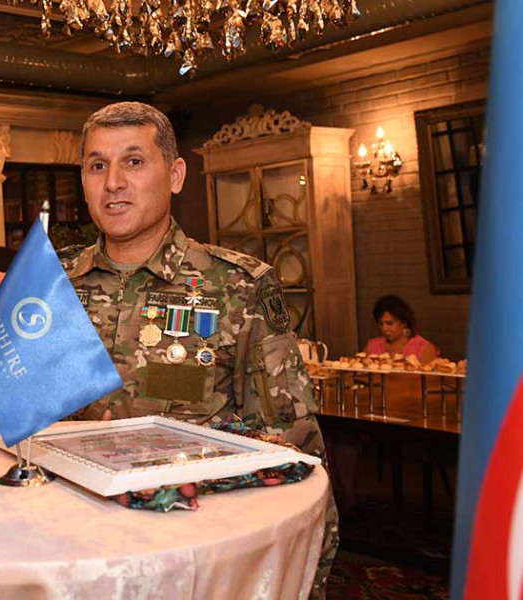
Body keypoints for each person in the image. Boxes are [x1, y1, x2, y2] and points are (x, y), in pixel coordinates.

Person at [59, 101, 336, 599]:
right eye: (97, 165)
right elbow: (17, 425)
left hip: (199, 559)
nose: (113, 182)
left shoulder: (238, 287)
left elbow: (295, 452)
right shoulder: (51, 287)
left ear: (176, 175)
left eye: (134, 161)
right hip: (71, 550)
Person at [364, 295, 439, 362]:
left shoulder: (423, 348)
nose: (384, 329)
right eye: (381, 324)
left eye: (390, 323)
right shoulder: (372, 346)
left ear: (404, 322)